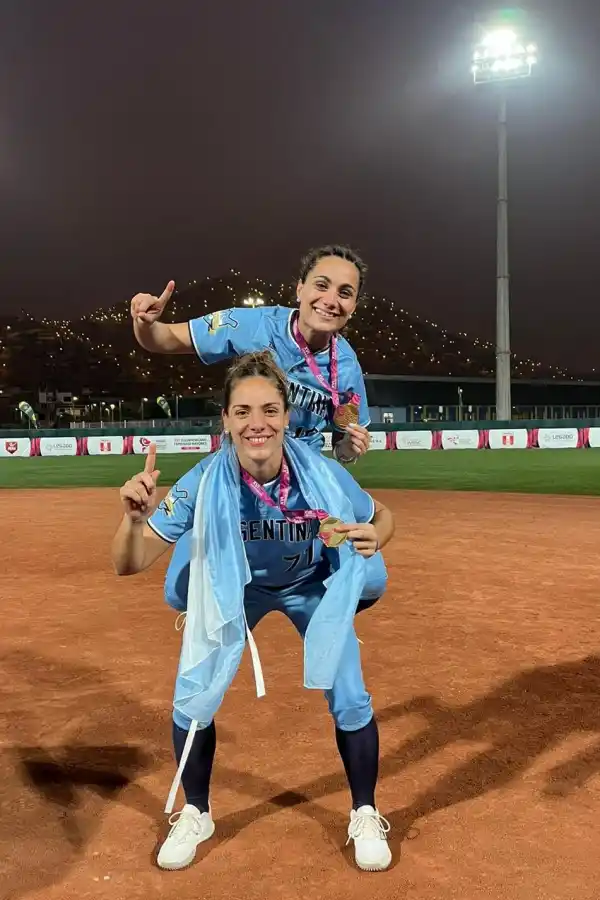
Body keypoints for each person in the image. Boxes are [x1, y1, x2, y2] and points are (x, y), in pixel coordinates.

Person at [111, 351, 395, 873]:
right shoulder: (204, 479)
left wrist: (377, 535)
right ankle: (196, 812)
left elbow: (382, 515)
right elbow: (128, 564)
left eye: (269, 410)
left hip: (308, 583)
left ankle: (365, 812)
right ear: (225, 419)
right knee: (193, 694)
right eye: (242, 411)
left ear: (286, 417)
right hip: (235, 589)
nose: (256, 423)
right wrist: (133, 521)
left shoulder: (319, 472)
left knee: (351, 697)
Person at [130, 244, 371, 463]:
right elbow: (165, 339)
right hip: (241, 468)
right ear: (300, 289)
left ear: (354, 306)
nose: (330, 300)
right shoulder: (254, 325)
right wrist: (144, 322)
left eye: (344, 293)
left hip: (304, 473)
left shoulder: (347, 368)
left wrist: (349, 449)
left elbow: (342, 448)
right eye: (321, 285)